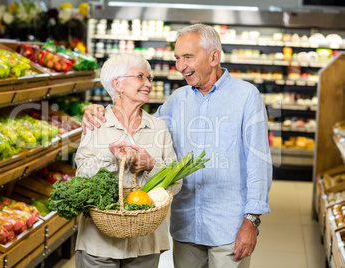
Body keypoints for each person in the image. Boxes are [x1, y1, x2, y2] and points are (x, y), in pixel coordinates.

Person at [81, 24, 272, 268]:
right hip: (186, 226)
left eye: (188, 57)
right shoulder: (177, 100)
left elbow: (259, 163)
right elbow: (140, 124)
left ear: (214, 57)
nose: (180, 66)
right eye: (177, 58)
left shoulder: (246, 96)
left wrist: (251, 221)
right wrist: (100, 110)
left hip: (229, 226)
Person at [74, 54, 179, 268]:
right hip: (99, 245)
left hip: (145, 245)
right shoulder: (96, 122)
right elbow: (81, 177)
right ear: (117, 84)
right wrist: (111, 157)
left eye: (149, 78)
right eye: (141, 77)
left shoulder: (158, 128)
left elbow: (176, 184)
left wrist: (151, 165)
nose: (148, 84)